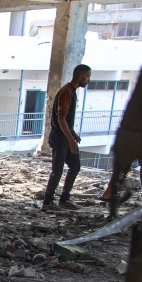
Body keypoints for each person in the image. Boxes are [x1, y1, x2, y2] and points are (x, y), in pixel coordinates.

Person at [43, 64, 92, 212]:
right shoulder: (66, 92)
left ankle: (64, 199)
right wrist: (70, 139)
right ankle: (47, 203)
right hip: (60, 139)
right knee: (57, 171)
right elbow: (61, 118)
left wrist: (73, 133)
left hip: (66, 137)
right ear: (80, 77)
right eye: (88, 76)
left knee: (75, 166)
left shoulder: (71, 91)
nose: (89, 79)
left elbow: (66, 119)